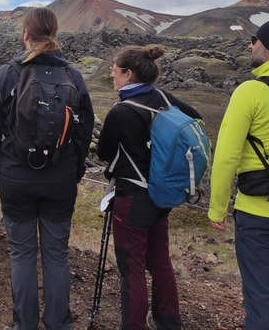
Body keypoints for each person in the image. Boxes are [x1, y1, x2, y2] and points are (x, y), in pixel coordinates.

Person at [0, 8, 95, 330]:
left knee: (22, 255)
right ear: (55, 33)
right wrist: (74, 170)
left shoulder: (8, 73)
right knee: (56, 254)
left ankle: (24, 325)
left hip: (17, 179)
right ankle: (59, 324)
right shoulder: (73, 76)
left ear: (26, 35)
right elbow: (84, 128)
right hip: (60, 179)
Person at [208, 16, 269, 330]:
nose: (251, 44)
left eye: (255, 39)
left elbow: (226, 156)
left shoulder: (251, 90)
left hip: (260, 212)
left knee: (264, 298)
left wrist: (217, 207)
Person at [96, 45, 202, 330]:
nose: (111, 74)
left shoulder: (121, 111)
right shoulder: (164, 97)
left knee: (131, 268)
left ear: (128, 74)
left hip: (132, 197)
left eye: (114, 70)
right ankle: (169, 322)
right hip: (162, 195)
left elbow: (104, 152)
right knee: (159, 262)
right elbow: (195, 117)